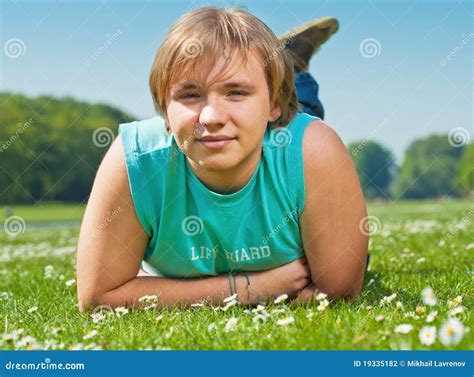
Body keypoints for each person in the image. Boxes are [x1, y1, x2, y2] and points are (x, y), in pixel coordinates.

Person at [76, 7, 368, 312]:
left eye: (236, 92)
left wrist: (153, 293)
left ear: (273, 104)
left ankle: (290, 64)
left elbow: (336, 291)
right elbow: (98, 298)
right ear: (164, 107)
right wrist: (249, 289)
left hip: (282, 131)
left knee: (299, 116)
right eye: (189, 95)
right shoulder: (136, 159)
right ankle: (278, 67)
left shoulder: (311, 147)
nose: (211, 117)